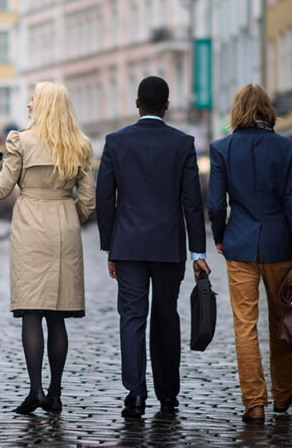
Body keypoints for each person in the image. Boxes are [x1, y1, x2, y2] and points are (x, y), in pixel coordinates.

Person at [0, 82, 95, 415]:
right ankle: (55, 393)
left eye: (33, 99)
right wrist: (69, 217)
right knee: (57, 317)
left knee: (32, 312)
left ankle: (35, 391)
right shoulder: (80, 145)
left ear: (42, 105)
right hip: (64, 226)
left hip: (30, 227)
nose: (28, 104)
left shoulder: (20, 140)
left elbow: (1, 189)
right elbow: (87, 201)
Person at [96, 76, 208, 418]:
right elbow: (192, 202)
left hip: (127, 246)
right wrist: (198, 253)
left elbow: (104, 197)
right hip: (167, 247)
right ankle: (168, 394)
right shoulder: (182, 143)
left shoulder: (116, 142)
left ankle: (135, 393)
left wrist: (109, 246)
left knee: (131, 318)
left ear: (137, 104)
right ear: (167, 105)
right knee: (165, 317)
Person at [207, 84, 292, 424]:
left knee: (244, 326)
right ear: (268, 109)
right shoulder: (286, 148)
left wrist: (220, 237)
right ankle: (282, 395)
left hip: (239, 245)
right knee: (282, 322)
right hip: (280, 246)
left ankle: (254, 403)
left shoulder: (222, 149)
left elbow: (214, 204)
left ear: (236, 110)